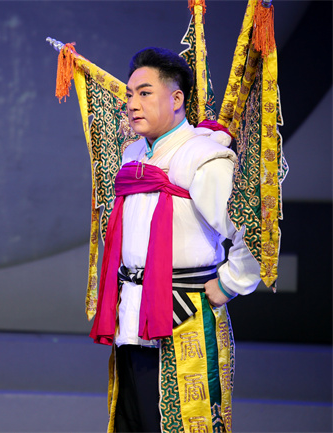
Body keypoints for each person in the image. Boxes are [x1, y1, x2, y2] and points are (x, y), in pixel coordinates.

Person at [89, 48, 261, 432]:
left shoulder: (204, 157)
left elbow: (251, 227)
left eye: (145, 93)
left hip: (185, 315)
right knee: (132, 420)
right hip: (132, 316)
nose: (132, 104)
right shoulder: (133, 154)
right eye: (129, 95)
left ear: (176, 98)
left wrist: (231, 283)